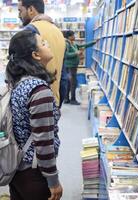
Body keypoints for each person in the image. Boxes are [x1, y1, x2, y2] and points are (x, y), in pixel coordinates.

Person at [6, 30, 63, 200]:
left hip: (17, 169)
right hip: (34, 172)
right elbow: (43, 140)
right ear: (36, 55)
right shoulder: (39, 90)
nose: (48, 44)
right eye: (43, 42)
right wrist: (53, 180)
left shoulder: (18, 83)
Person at [18, 0, 65, 107]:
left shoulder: (29, 31)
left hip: (35, 102)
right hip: (53, 100)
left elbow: (19, 71)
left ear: (30, 10)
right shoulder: (58, 32)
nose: (19, 15)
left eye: (20, 11)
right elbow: (63, 76)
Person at [61, 30, 97, 105]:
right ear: (69, 37)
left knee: (69, 82)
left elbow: (83, 46)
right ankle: (73, 100)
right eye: (73, 35)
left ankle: (66, 99)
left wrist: (93, 42)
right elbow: (66, 55)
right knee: (73, 83)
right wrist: (76, 53)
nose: (74, 37)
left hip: (73, 66)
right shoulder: (67, 44)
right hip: (70, 66)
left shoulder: (73, 44)